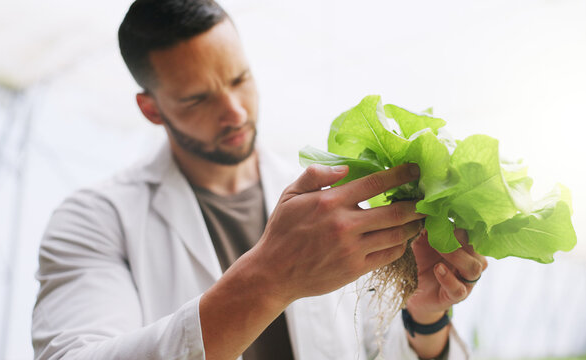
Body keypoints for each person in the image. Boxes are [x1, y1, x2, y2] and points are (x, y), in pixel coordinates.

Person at [31, 0, 488, 359]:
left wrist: (424, 317)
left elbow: (374, 348)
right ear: (152, 109)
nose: (234, 110)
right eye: (196, 99)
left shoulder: (330, 199)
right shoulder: (93, 221)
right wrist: (271, 277)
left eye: (239, 78)